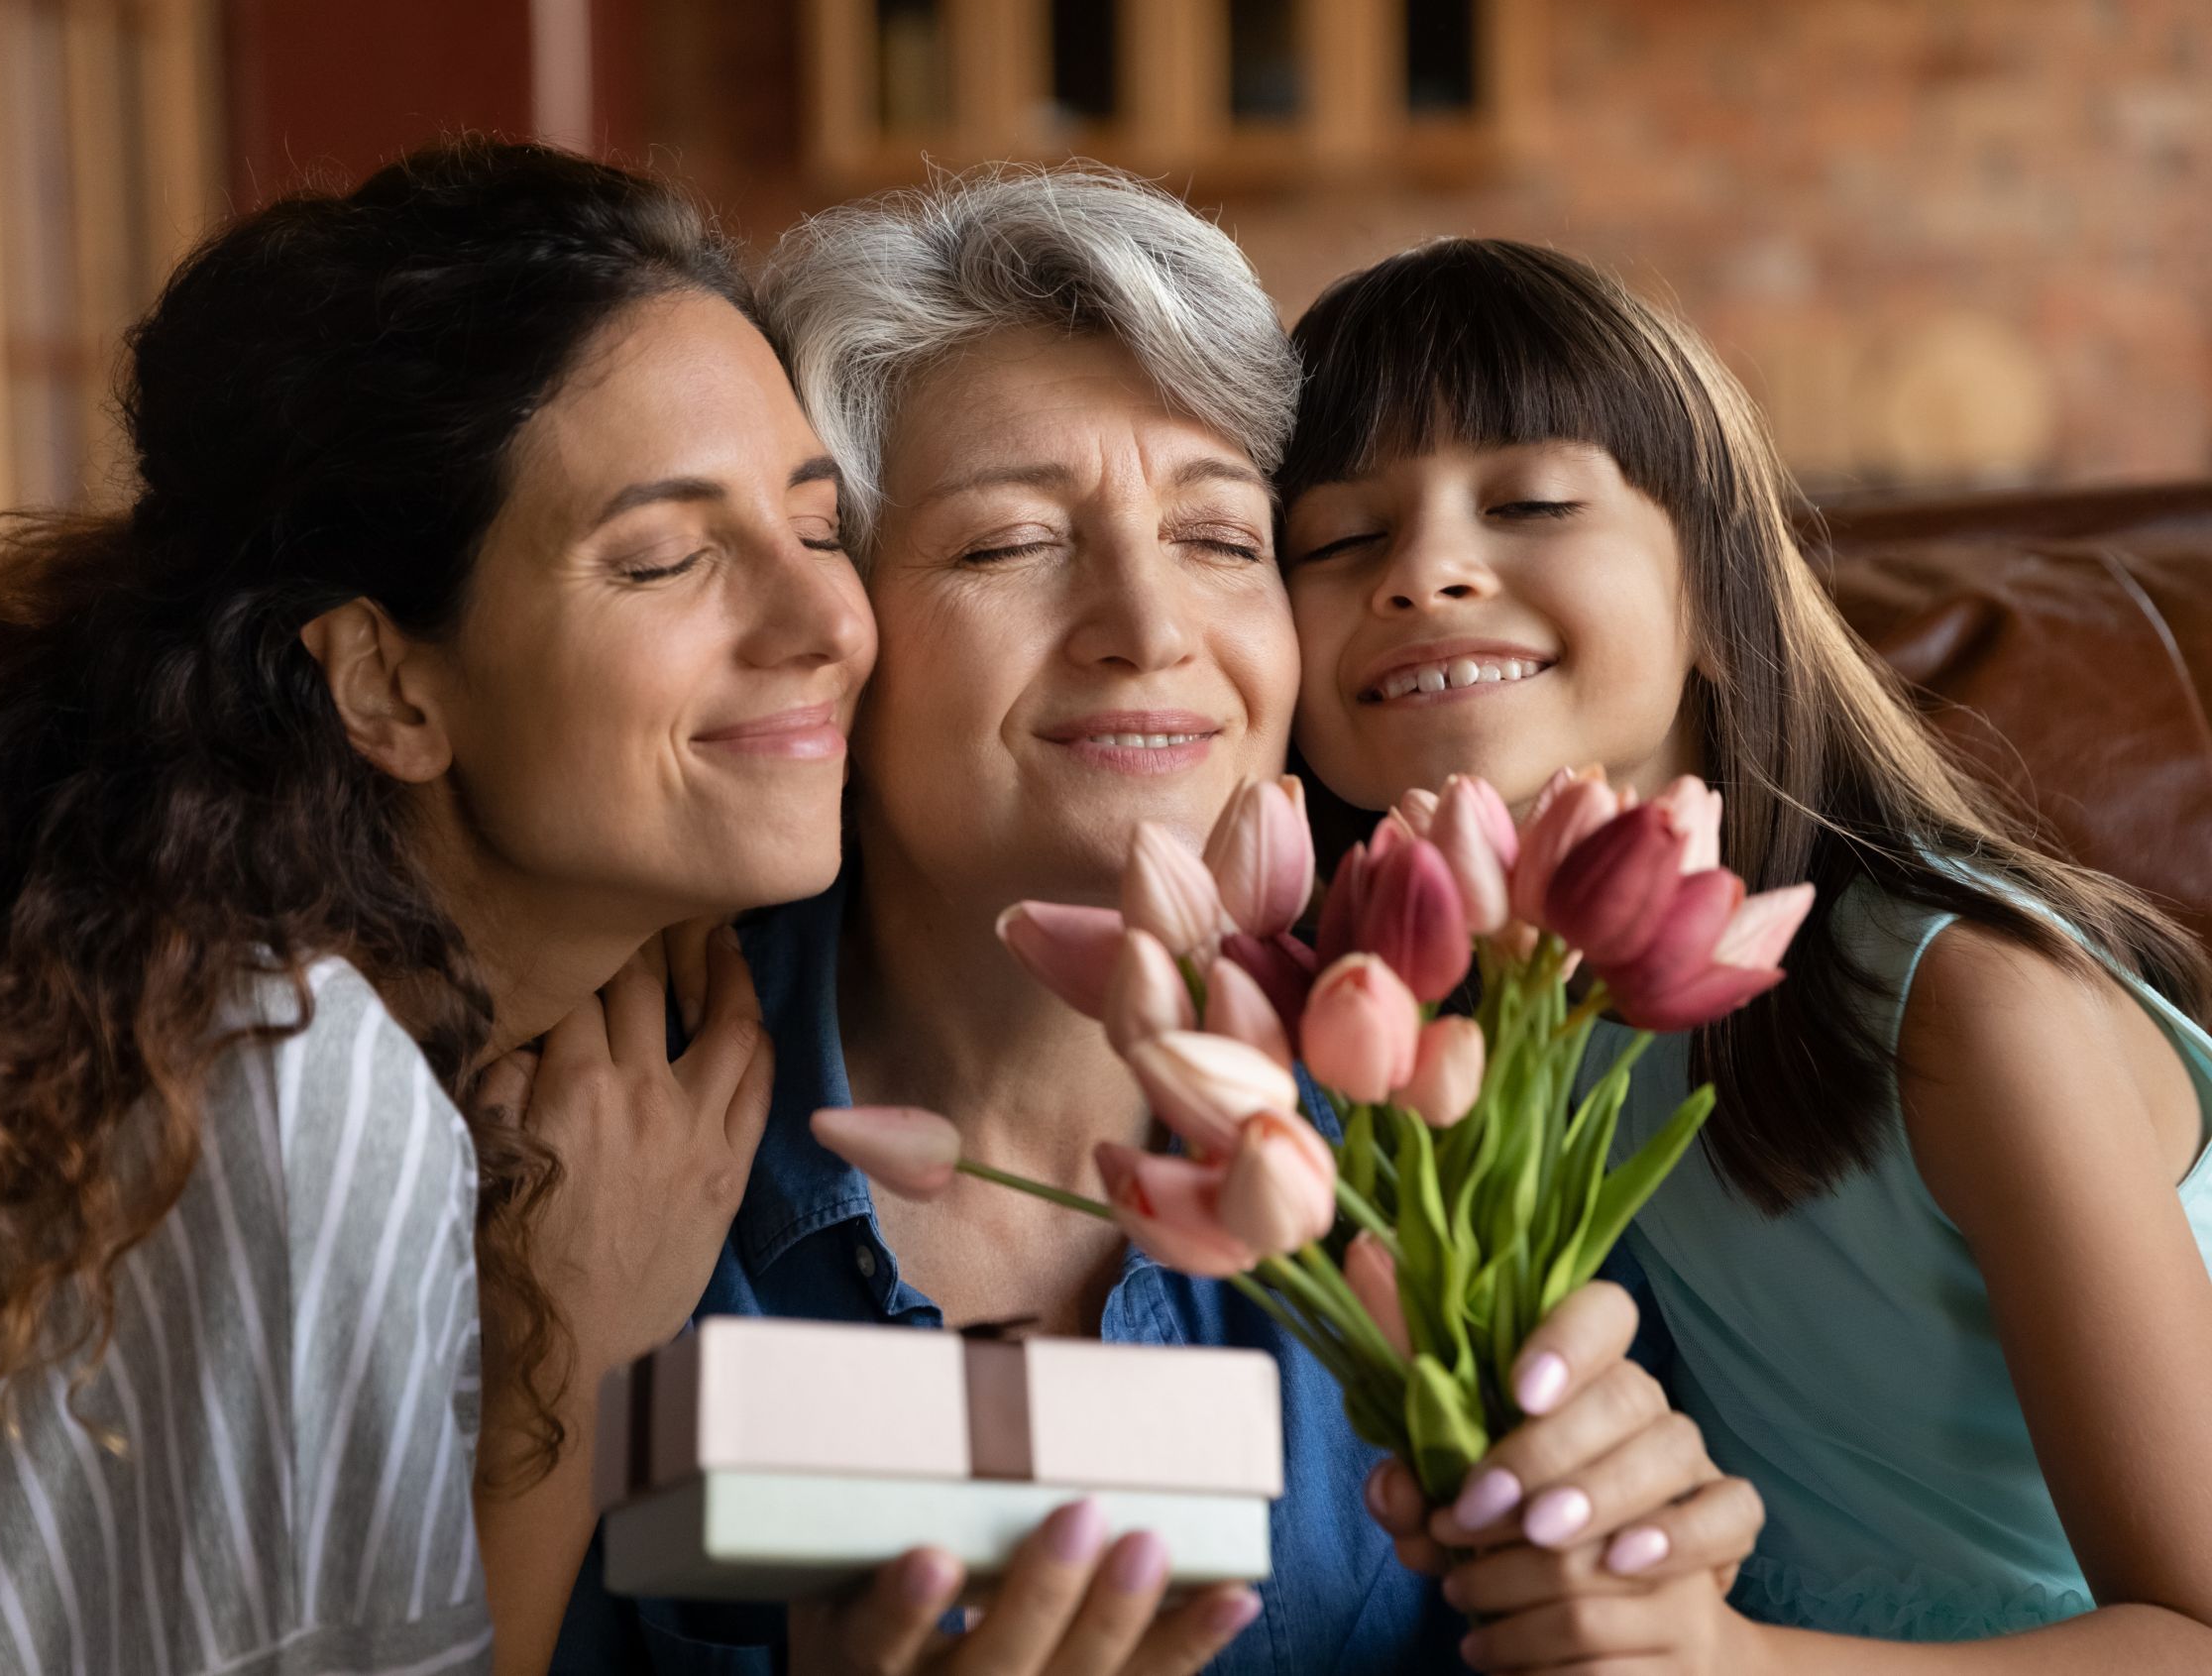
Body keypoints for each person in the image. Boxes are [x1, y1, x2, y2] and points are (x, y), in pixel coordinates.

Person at [0, 139, 874, 1676]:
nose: (828, 620)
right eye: (660, 558)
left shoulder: (253, 1005)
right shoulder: (270, 1081)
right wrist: (563, 1371)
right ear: (384, 681)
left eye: (817, 524)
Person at [547, 168, 1765, 1676]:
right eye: (1007, 545)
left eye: (1220, 539)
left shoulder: (1465, 1130)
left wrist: (1645, 1621)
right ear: (832, 636)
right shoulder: (595, 1151)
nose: (1150, 626)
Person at [1278, 236, 2212, 1669]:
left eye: (1528, 501)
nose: (1425, 572)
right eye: (1339, 539)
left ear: (1717, 594)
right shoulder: (1446, 1017)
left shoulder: (1965, 1005)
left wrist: (1741, 1663)